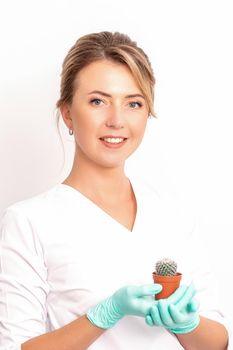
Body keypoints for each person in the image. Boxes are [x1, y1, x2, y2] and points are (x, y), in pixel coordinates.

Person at [0, 31, 231, 350]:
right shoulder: (29, 221)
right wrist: (102, 316)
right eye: (98, 101)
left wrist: (188, 324)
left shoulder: (173, 215)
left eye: (134, 103)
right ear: (67, 112)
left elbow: (217, 342)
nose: (117, 120)